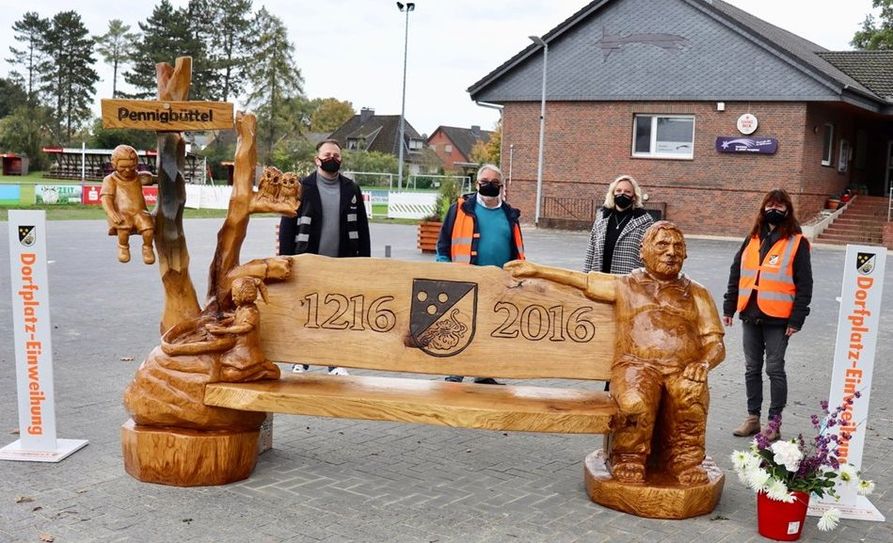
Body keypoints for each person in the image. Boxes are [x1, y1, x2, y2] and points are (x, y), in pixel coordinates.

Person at [506, 222, 724, 485]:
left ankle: (685, 461)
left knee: (691, 394)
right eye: (662, 245)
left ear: (686, 254)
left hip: (683, 367)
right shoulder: (625, 284)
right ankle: (628, 457)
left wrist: (703, 363)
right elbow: (583, 281)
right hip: (637, 366)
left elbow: (715, 343)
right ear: (643, 252)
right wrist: (538, 270)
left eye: (678, 246)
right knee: (635, 401)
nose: (671, 252)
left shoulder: (697, 292)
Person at [723, 189, 812, 441]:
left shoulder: (797, 242)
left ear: (788, 210)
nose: (774, 209)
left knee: (774, 369)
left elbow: (805, 284)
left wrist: (797, 319)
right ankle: (753, 418)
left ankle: (774, 423)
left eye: (780, 206)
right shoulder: (752, 238)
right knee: (752, 368)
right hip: (750, 313)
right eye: (770, 205)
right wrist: (729, 307)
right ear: (763, 208)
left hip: (778, 319)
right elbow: (736, 272)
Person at [278, 139, 371, 375]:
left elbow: (362, 227)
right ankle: (300, 358)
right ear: (316, 158)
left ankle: (336, 361)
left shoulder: (351, 188)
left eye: (337, 155)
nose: (333, 158)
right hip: (307, 261)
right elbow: (288, 226)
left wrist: (365, 262)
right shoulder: (301, 187)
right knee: (304, 312)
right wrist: (284, 260)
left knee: (339, 314)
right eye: (328, 154)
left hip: (342, 263)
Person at [436, 164, 525, 385]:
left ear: (502, 187)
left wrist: (517, 278)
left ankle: (484, 374)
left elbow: (517, 249)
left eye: (495, 183)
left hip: (496, 283)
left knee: (489, 329)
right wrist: (444, 267)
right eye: (484, 182)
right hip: (463, 280)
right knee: (459, 327)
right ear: (476, 184)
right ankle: (454, 373)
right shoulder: (460, 209)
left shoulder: (509, 214)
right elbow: (443, 243)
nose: (489, 186)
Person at [583, 175, 654, 274]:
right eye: (618, 191)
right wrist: (585, 277)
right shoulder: (601, 218)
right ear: (613, 193)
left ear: (634, 196)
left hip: (628, 283)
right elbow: (591, 251)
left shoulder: (645, 222)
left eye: (627, 192)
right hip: (599, 281)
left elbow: (649, 258)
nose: (622, 194)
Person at [100, 145, 156, 265]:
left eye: (131, 167)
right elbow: (106, 198)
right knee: (124, 228)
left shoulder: (139, 177)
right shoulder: (110, 180)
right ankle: (123, 247)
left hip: (140, 212)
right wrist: (112, 213)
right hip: (122, 213)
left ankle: (147, 247)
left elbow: (156, 179)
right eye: (123, 167)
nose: (128, 170)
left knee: (148, 229)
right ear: (114, 165)